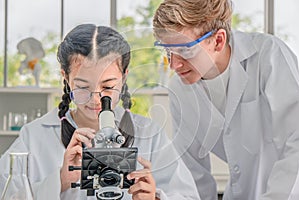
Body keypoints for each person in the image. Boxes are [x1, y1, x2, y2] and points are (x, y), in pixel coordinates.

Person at [0, 24, 200, 200]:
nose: (96, 99)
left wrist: (154, 198)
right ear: (66, 78)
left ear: (123, 78)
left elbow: (188, 195)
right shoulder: (34, 136)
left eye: (108, 87)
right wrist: (60, 180)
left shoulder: (150, 134)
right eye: (82, 87)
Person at [153, 0, 299, 200]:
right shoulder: (180, 90)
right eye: (168, 52)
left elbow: (296, 141)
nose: (174, 65)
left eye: (185, 51)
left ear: (218, 41)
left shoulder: (268, 56)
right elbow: (192, 173)